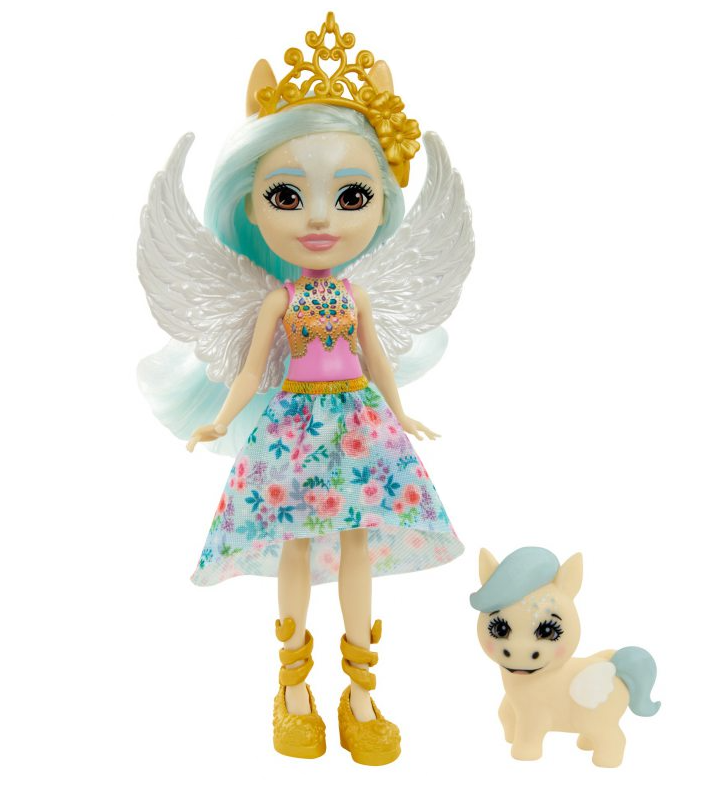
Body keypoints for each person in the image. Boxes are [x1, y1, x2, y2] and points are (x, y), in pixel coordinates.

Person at [138, 12, 473, 766]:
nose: (319, 217)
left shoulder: (357, 298)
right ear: (250, 204)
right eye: (287, 195)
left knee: (358, 543)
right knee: (295, 541)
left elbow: (379, 362)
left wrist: (404, 412)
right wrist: (220, 418)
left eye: (351, 196)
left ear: (381, 203)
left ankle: (361, 692)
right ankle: (292, 688)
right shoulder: (278, 301)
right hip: (294, 427)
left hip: (359, 422)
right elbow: (250, 370)